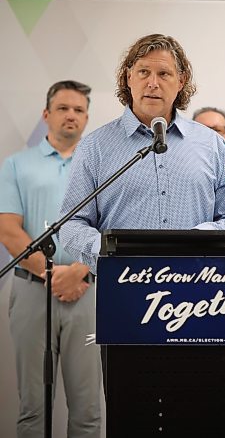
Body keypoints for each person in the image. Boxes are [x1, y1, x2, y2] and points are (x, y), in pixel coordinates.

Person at [58, 33, 225, 276]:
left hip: (197, 286)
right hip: (121, 287)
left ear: (181, 80)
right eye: (143, 72)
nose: (152, 83)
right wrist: (109, 251)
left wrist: (199, 241)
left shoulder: (212, 144)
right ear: (129, 77)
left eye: (164, 74)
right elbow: (71, 225)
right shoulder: (94, 147)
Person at [0, 81, 102, 438]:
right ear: (46, 114)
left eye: (78, 110)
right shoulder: (15, 166)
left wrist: (80, 272)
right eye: (63, 108)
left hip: (88, 291)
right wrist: (52, 273)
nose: (71, 115)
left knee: (89, 410)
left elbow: (110, 228)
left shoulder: (100, 168)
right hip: (32, 292)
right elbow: (8, 229)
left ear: (87, 118)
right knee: (32, 409)